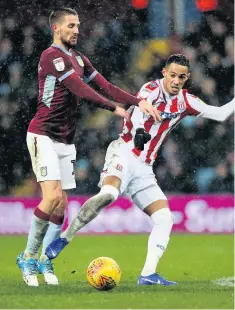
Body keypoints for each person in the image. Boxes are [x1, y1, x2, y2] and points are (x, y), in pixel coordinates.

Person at [46, 54, 234, 285]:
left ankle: (147, 275)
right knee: (109, 195)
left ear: (187, 78)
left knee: (165, 218)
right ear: (165, 73)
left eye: (181, 77)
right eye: (172, 75)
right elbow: (139, 109)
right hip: (124, 153)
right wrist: (138, 133)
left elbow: (221, 114)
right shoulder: (151, 89)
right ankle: (65, 237)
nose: (176, 81)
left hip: (145, 169)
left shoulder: (187, 101)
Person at [16, 7, 160, 287]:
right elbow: (78, 89)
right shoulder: (51, 56)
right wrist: (114, 108)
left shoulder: (79, 58)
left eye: (78, 25)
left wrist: (135, 100)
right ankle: (28, 255)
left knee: (61, 204)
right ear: (56, 28)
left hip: (65, 139)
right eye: (70, 25)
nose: (76, 30)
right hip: (42, 133)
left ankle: (46, 257)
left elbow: (104, 85)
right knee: (51, 196)